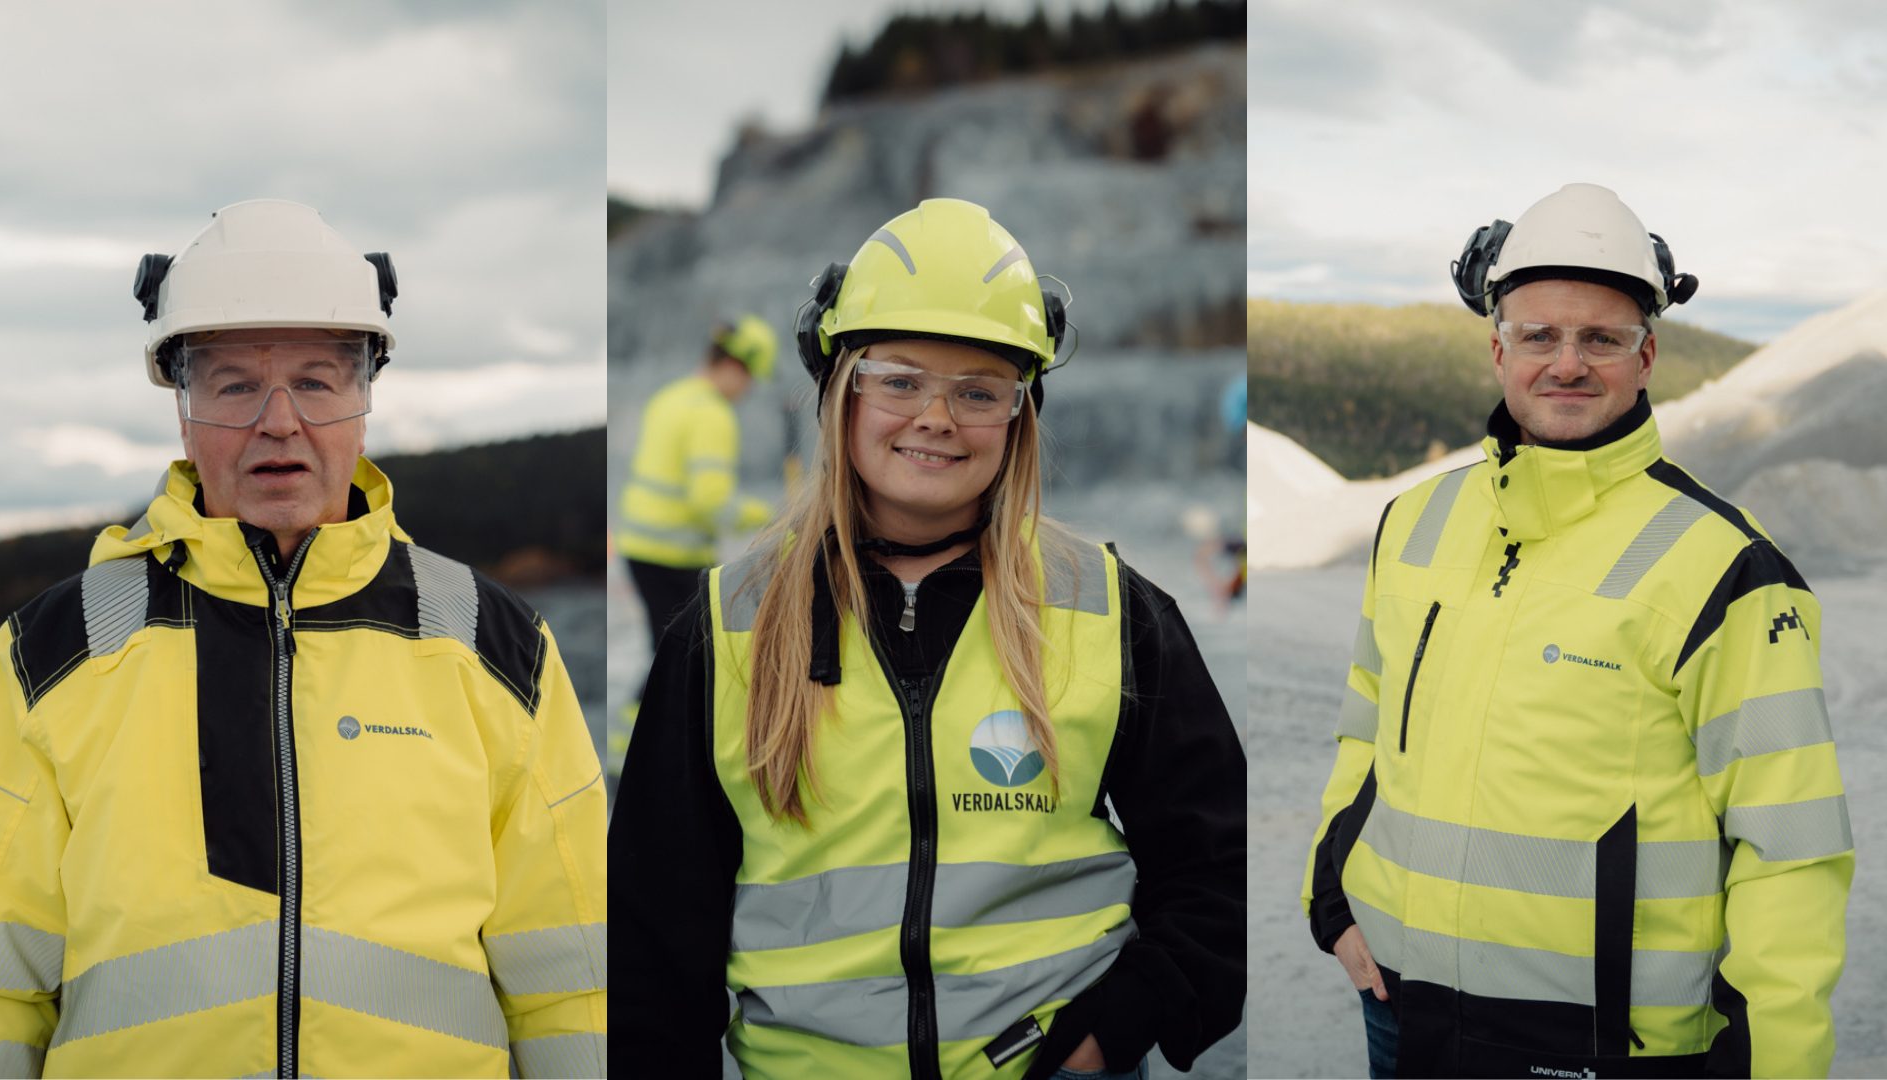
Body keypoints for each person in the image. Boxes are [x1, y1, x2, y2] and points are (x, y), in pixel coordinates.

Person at [608, 198, 1246, 1079]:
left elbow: (1221, 865)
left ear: (1020, 412)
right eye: (899, 379)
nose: (937, 417)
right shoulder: (724, 633)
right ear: (841, 390)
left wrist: (1113, 1031)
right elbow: (650, 949)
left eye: (979, 391)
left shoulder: (1113, 613)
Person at [0, 199, 606, 1077]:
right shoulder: (53, 651)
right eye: (234, 384)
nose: (278, 421)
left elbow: (576, 986)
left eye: (315, 380)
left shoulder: (495, 646)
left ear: (364, 398)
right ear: (183, 410)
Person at [1301, 183, 1852, 1077]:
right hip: (1402, 1009)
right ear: (1497, 349)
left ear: (1647, 355)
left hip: (1598, 1046)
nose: (1568, 362)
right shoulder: (1415, 521)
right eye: (1539, 336)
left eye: (1600, 337)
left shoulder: (1725, 567)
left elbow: (1790, 845)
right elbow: (1366, 724)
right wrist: (1333, 899)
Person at [610, 314, 778, 756]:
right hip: (675, 556)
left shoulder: (671, 398)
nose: (748, 391)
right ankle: (643, 746)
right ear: (736, 367)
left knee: (670, 650)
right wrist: (766, 512)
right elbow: (711, 502)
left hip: (641, 549)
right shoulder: (712, 416)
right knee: (687, 655)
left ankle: (634, 743)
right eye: (751, 379)